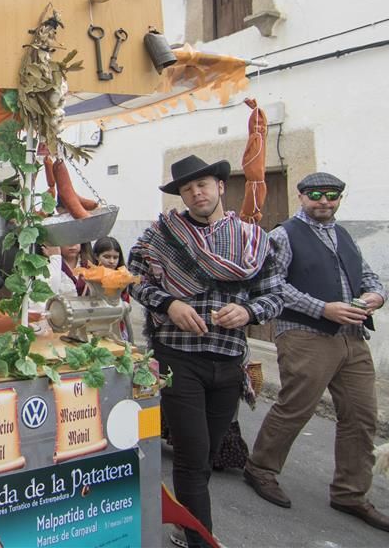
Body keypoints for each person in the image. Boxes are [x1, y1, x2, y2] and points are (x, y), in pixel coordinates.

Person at [127, 155, 283, 548]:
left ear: (220, 187)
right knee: (192, 456)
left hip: (228, 360)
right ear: (180, 194)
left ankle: (185, 524)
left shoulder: (252, 240)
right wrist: (169, 304)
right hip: (178, 357)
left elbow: (275, 295)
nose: (196, 193)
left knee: (209, 453)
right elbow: (133, 280)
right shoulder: (160, 237)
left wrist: (248, 310)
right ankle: (201, 539)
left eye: (203, 185)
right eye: (187, 188)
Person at [243, 172, 389, 534]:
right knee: (296, 406)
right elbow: (273, 284)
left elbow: (369, 277)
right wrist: (322, 309)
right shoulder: (283, 235)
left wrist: (375, 297)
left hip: (352, 336)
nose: (324, 201)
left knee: (361, 416)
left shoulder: (343, 234)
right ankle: (261, 468)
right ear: (301, 196)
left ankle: (350, 493)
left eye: (332, 195)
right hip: (305, 334)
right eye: (316, 195)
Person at [90, 236, 131, 341]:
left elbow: (125, 305)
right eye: (107, 256)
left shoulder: (123, 278)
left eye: (115, 257)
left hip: (118, 330)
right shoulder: (89, 277)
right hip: (93, 330)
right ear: (96, 256)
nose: (112, 261)